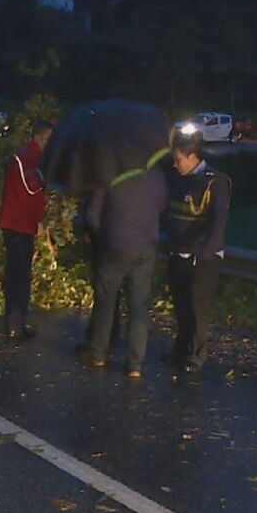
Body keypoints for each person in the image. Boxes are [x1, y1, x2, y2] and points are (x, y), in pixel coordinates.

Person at [77, 158, 169, 378]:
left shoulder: (110, 176)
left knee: (106, 301)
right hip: (146, 247)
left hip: (115, 246)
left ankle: (98, 353)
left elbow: (91, 215)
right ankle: (135, 364)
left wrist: (102, 236)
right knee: (139, 306)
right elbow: (162, 208)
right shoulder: (156, 177)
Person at [164, 130, 232, 374]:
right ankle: (181, 349)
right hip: (177, 251)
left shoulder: (215, 181)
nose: (175, 164)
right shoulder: (178, 178)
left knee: (197, 307)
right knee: (180, 305)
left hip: (201, 257)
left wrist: (205, 252)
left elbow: (217, 221)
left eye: (179, 159)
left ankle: (197, 353)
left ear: (193, 156)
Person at [0, 120, 53, 339]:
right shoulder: (22, 158)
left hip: (24, 223)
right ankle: (15, 323)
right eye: (49, 139)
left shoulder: (31, 157)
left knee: (21, 273)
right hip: (16, 224)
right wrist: (46, 173)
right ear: (39, 137)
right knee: (18, 275)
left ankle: (18, 320)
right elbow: (31, 186)